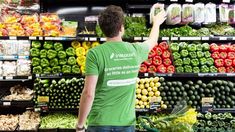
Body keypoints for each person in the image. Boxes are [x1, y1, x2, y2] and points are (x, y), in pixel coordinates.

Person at [76, 4, 166, 132]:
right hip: (126, 123)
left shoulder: (94, 54)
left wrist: (80, 125)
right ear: (121, 28)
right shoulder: (135, 50)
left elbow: (88, 94)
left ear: (102, 29)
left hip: (99, 122)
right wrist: (156, 23)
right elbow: (152, 40)